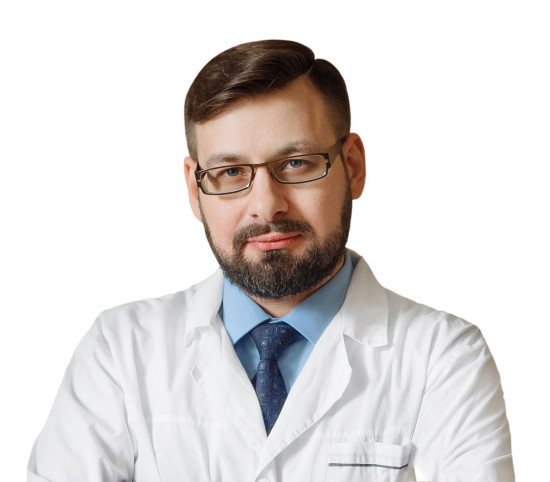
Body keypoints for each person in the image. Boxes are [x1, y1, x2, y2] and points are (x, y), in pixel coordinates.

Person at [28, 39, 514, 481]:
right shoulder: (120, 351)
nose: (266, 206)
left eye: (296, 164)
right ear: (195, 190)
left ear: (352, 166)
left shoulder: (444, 357)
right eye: (230, 172)